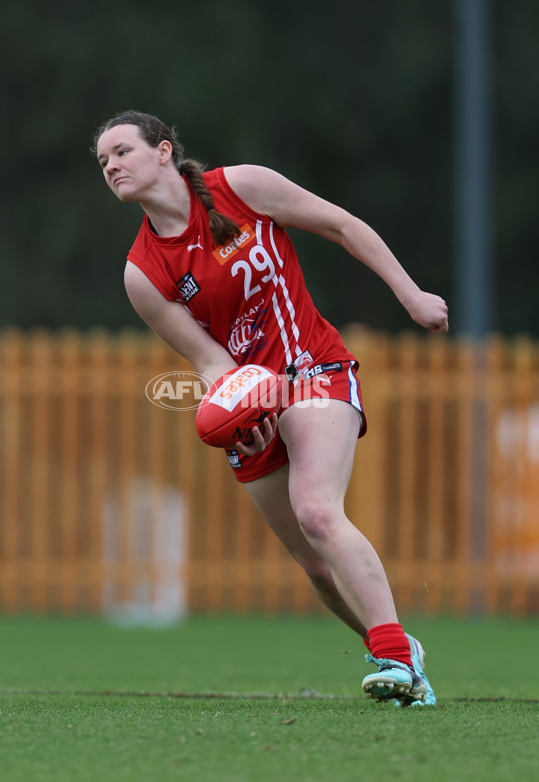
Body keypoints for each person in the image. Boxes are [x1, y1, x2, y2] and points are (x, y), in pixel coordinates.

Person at [93, 110, 448, 705]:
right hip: (250, 395)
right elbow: (210, 364)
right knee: (314, 568)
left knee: (315, 509)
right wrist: (247, 421)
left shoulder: (243, 188)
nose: (112, 167)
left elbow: (340, 225)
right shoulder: (142, 272)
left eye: (122, 152)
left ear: (163, 151)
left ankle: (394, 661)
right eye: (103, 161)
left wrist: (410, 294)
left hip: (313, 367)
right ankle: (399, 649)